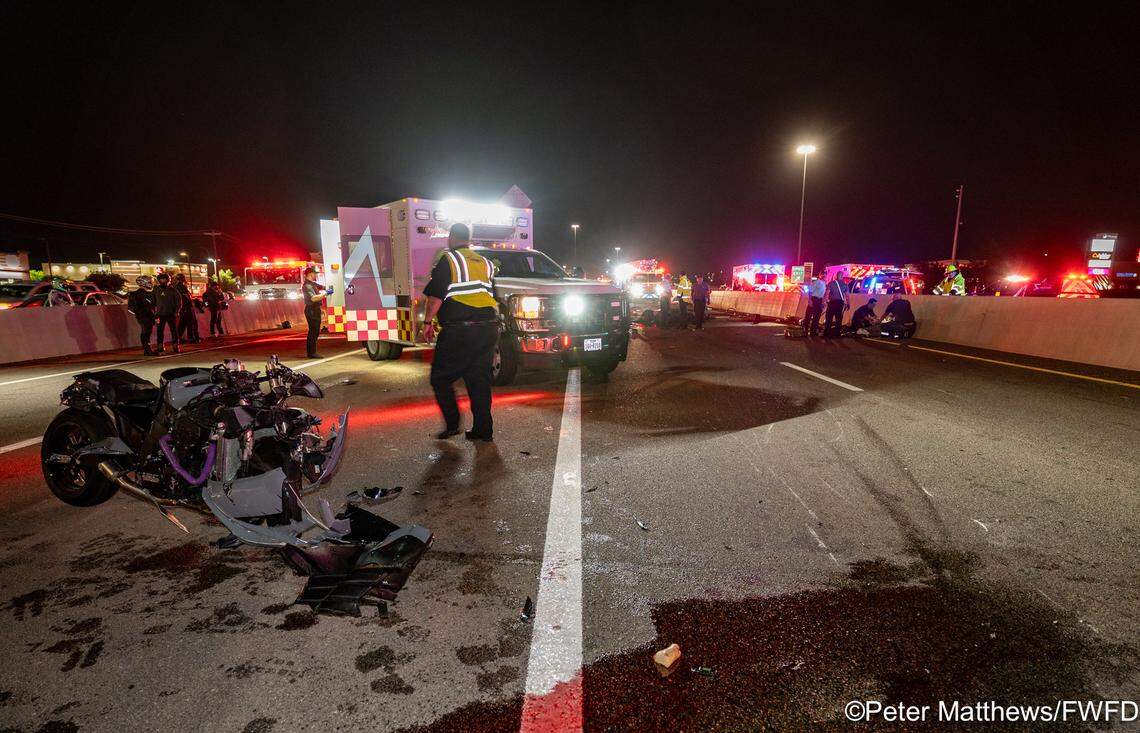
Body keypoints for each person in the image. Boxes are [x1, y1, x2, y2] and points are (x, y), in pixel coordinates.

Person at [422, 223, 498, 442]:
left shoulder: (449, 260)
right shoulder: (485, 263)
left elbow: (435, 297)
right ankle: (483, 430)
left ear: (451, 237)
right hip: (488, 328)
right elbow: (490, 295)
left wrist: (427, 322)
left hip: (460, 330)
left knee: (440, 378)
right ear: (469, 239)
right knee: (479, 380)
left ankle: (453, 424)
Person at [302, 266, 331, 358]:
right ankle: (311, 353)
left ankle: (312, 352)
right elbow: (313, 298)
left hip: (314, 309)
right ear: (311, 274)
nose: (316, 276)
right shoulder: (307, 286)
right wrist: (326, 294)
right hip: (312, 310)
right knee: (313, 332)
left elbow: (322, 287)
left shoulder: (312, 284)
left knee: (315, 331)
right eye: (315, 274)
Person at [127, 275, 157, 355]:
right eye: (150, 282)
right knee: (146, 332)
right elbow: (137, 307)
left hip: (147, 315)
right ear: (144, 283)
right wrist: (143, 313)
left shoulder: (149, 293)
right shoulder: (138, 294)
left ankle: (147, 349)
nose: (152, 284)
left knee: (148, 332)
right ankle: (147, 350)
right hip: (144, 316)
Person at [153, 272, 181, 353]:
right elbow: (153, 302)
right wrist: (154, 312)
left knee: (174, 330)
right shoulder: (155, 290)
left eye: (164, 279)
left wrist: (177, 311)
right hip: (159, 314)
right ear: (159, 280)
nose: (163, 281)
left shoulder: (173, 290)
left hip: (171, 313)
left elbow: (178, 301)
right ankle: (160, 346)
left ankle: (175, 345)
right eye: (161, 279)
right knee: (159, 331)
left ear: (168, 280)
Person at [173, 273, 200, 343]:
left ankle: (178, 338)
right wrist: (193, 300)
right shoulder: (181, 286)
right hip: (186, 306)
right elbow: (187, 296)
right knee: (190, 322)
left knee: (183, 323)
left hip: (182, 307)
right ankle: (190, 337)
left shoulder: (176, 287)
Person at [822, 274, 850, 338]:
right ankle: (837, 334)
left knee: (829, 318)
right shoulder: (845, 285)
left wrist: (824, 302)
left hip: (832, 303)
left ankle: (826, 333)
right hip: (840, 303)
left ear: (836, 276)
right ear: (842, 277)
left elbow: (827, 293)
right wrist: (848, 304)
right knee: (839, 319)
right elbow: (847, 296)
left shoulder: (831, 283)